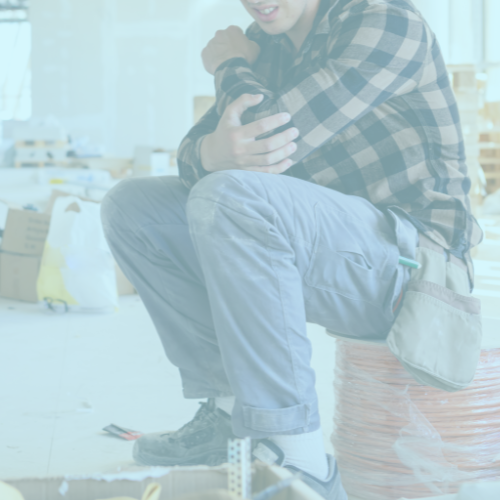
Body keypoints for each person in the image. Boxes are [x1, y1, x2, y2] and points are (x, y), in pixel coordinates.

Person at [101, 1, 482, 498]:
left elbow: (265, 133)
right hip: (326, 249)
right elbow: (197, 155)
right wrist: (217, 150)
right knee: (134, 207)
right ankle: (225, 413)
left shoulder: (387, 22)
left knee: (231, 195)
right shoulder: (269, 49)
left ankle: (297, 456)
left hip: (415, 267)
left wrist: (229, 66)